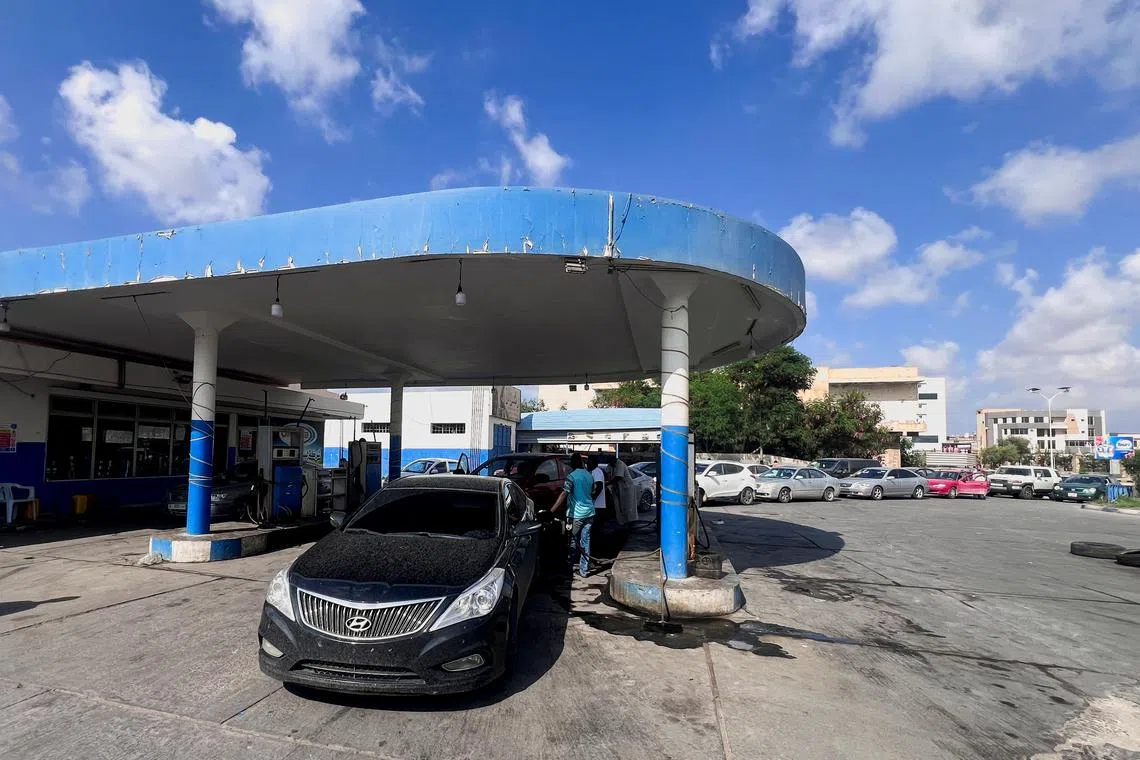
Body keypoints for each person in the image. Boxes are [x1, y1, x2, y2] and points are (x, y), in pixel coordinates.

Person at [551, 452, 595, 578]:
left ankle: (569, 568)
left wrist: (552, 510)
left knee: (572, 541)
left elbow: (564, 494)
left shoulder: (572, 476)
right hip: (590, 513)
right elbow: (591, 492)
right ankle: (584, 570)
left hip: (577, 515)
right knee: (586, 541)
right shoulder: (589, 475)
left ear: (572, 463)